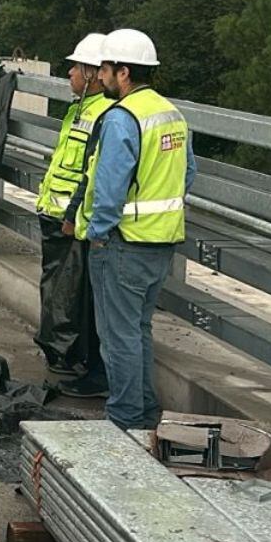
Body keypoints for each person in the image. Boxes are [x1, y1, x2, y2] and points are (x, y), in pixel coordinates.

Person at [72, 28, 194, 430]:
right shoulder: (172, 115)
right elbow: (187, 174)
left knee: (118, 337)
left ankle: (124, 420)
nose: (101, 76)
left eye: (105, 68)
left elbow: (108, 188)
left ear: (123, 72)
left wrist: (96, 231)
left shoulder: (123, 118)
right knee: (138, 330)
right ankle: (143, 413)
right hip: (161, 243)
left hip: (122, 243)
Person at [35, 33, 111, 391]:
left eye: (75, 67)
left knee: (73, 295)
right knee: (57, 291)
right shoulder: (77, 109)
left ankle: (74, 357)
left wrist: (72, 214)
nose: (69, 73)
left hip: (73, 221)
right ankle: (61, 351)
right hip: (55, 214)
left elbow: (91, 173)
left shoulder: (104, 114)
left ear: (93, 73)